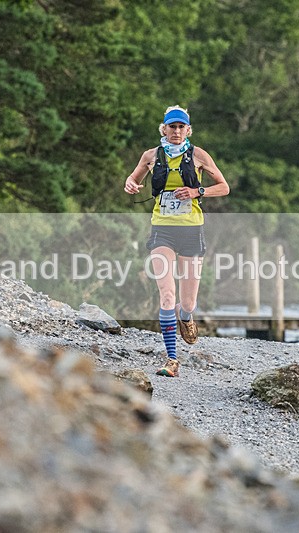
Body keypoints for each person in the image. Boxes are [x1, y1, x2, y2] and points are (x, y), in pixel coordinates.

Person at [123, 105, 229, 377]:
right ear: (164, 129)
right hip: (162, 230)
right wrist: (131, 184)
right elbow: (133, 180)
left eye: (182, 127)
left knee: (188, 302)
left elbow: (223, 187)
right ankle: (172, 360)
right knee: (167, 294)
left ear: (188, 130)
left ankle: (186, 317)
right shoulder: (151, 155)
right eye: (172, 127)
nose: (177, 131)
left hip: (192, 230)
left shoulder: (199, 155)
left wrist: (196, 191)